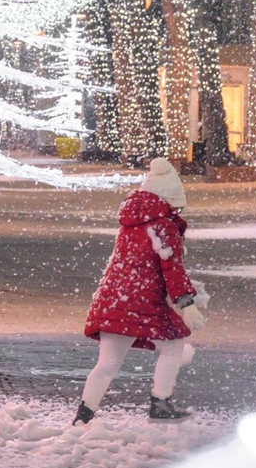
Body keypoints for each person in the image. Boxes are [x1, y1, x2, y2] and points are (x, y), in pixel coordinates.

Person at [76, 158, 205, 425]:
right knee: (174, 345)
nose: (178, 212)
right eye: (177, 205)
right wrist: (187, 303)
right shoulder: (163, 224)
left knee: (108, 364)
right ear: (170, 200)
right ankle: (161, 403)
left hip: (113, 300)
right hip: (142, 302)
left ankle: (84, 416)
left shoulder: (131, 222)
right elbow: (172, 269)